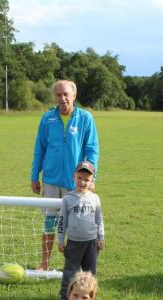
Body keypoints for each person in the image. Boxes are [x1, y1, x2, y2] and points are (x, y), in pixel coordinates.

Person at [30, 80, 99, 271]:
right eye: (59, 95)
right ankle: (44, 263)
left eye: (66, 94)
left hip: (75, 183)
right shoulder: (47, 119)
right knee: (49, 224)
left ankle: (75, 264)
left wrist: (93, 178)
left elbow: (92, 150)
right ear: (55, 97)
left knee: (77, 226)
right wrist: (34, 175)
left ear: (74, 95)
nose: (63, 98)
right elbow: (39, 149)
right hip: (51, 181)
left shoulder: (85, 118)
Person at [57, 161, 104, 300]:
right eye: (79, 178)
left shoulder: (95, 198)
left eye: (87, 179)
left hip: (91, 242)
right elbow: (62, 220)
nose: (82, 182)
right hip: (73, 242)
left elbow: (99, 219)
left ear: (92, 181)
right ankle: (65, 299)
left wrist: (101, 237)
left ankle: (91, 299)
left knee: (91, 273)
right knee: (70, 272)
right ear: (74, 177)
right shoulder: (68, 199)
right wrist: (60, 240)